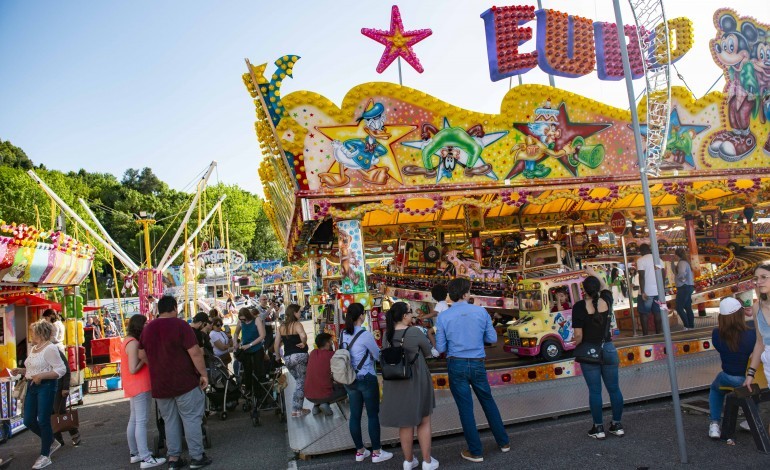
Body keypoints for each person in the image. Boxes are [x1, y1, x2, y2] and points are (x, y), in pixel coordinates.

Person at [435, 278, 510, 463]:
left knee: (465, 409)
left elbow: (441, 348)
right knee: (488, 401)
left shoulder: (444, 317)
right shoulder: (481, 311)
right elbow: (492, 338)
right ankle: (504, 442)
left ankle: (476, 451)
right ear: (466, 293)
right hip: (477, 362)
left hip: (456, 364)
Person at [138, 296, 211, 469]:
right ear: (174, 308)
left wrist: (157, 364)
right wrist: (203, 374)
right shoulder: (181, 325)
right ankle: (197, 456)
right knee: (191, 418)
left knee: (169, 420)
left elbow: (141, 354)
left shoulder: (148, 329)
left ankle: (174, 459)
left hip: (160, 383)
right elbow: (194, 352)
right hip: (184, 380)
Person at [379, 302, 438, 470]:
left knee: (405, 423)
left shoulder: (387, 335)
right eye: (410, 312)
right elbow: (428, 352)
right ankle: (427, 462)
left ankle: (408, 461)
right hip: (417, 380)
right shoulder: (414, 332)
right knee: (424, 420)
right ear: (404, 316)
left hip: (395, 382)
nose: (412, 314)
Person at [572, 275, 625, 440]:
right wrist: (591, 271)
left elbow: (578, 335)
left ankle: (598, 428)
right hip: (609, 349)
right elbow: (604, 285)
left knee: (595, 391)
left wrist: (575, 343)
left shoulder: (579, 307)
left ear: (584, 290)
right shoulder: (607, 301)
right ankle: (617, 425)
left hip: (589, 353)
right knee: (614, 389)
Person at [340, 303, 392, 464]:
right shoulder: (365, 334)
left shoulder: (343, 333)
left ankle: (360, 451)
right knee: (372, 415)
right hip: (366, 378)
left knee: (354, 416)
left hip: (349, 379)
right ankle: (376, 452)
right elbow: (377, 355)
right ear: (361, 316)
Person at [12, 320, 67, 469]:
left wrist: (42, 376)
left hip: (46, 386)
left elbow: (61, 370)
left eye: (33, 332)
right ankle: (49, 441)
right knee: (28, 420)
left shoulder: (50, 348)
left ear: (40, 333)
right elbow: (35, 368)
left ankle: (45, 455)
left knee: (43, 419)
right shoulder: (35, 347)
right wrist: (21, 370)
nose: (31, 334)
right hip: (32, 385)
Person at [121, 315, 166, 468]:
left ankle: (135, 453)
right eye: (145, 323)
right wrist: (144, 357)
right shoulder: (133, 343)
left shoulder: (127, 340)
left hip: (132, 386)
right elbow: (133, 368)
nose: (147, 325)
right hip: (140, 385)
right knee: (141, 421)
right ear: (139, 325)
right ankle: (145, 458)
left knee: (134, 419)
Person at [708, 297, 756, 439]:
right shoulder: (752, 333)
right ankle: (750, 420)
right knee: (754, 389)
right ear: (740, 314)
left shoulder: (717, 334)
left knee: (715, 390)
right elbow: (757, 323)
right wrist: (753, 313)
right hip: (750, 379)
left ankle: (715, 424)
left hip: (728, 377)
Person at [275, 304, 310, 417]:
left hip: (288, 358)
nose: (301, 313)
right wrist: (303, 342)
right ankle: (297, 410)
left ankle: (298, 408)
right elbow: (303, 336)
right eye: (299, 312)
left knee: (299, 382)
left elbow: (276, 344)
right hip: (299, 356)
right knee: (301, 383)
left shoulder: (281, 327)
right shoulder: (297, 324)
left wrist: (277, 356)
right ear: (294, 313)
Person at [743, 263, 770, 403]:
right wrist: (750, 374)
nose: (759, 282)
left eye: (764, 277)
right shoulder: (756, 308)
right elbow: (759, 343)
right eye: (756, 278)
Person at [305, 333, 346, 416]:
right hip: (323, 395)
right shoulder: (332, 355)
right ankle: (325, 403)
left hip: (308, 396)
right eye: (331, 341)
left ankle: (316, 406)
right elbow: (340, 375)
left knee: (319, 384)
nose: (332, 343)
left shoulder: (313, 353)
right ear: (327, 343)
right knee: (345, 390)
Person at [234, 307, 267, 402]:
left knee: (258, 370)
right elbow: (236, 333)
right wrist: (235, 342)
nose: (242, 321)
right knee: (247, 370)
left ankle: (259, 392)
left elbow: (262, 335)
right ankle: (249, 389)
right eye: (241, 319)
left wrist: (250, 344)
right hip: (246, 350)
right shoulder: (241, 322)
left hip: (256, 348)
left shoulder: (256, 320)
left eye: (244, 319)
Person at [52, 347, 80, 449]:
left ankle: (74, 433)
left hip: (58, 388)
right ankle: (58, 439)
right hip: (47, 388)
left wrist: (65, 387)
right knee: (51, 414)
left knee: (60, 411)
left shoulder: (54, 350)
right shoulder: (36, 351)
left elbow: (66, 369)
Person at [636, 243, 664, 335]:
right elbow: (662, 275)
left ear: (641, 251)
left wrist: (643, 291)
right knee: (657, 313)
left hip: (646, 292)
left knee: (644, 314)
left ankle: (645, 335)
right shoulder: (658, 260)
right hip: (658, 292)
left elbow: (641, 276)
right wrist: (661, 289)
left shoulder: (641, 260)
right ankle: (658, 333)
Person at [674, 248, 696, 330]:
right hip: (688, 286)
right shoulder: (686, 262)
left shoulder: (682, 263)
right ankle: (691, 326)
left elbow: (682, 273)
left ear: (677, 255)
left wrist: (681, 279)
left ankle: (686, 325)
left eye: (675, 255)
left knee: (679, 307)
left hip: (684, 287)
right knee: (687, 307)